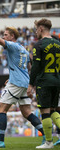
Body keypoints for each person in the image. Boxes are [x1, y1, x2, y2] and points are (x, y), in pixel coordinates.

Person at [0, 17, 45, 148]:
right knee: (27, 113)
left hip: (16, 83)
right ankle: (46, 136)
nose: (4, 36)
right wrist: (29, 83)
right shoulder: (23, 49)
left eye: (6, 35)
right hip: (24, 83)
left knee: (2, 110)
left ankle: (0, 141)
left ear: (12, 36)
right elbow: (28, 67)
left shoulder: (12, 45)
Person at [27, 18, 60, 149]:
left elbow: (35, 67)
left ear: (41, 28)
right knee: (53, 111)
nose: (35, 32)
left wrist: (31, 84)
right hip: (57, 80)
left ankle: (49, 142)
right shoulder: (58, 43)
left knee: (45, 112)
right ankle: (50, 142)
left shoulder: (39, 45)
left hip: (44, 81)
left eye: (36, 29)